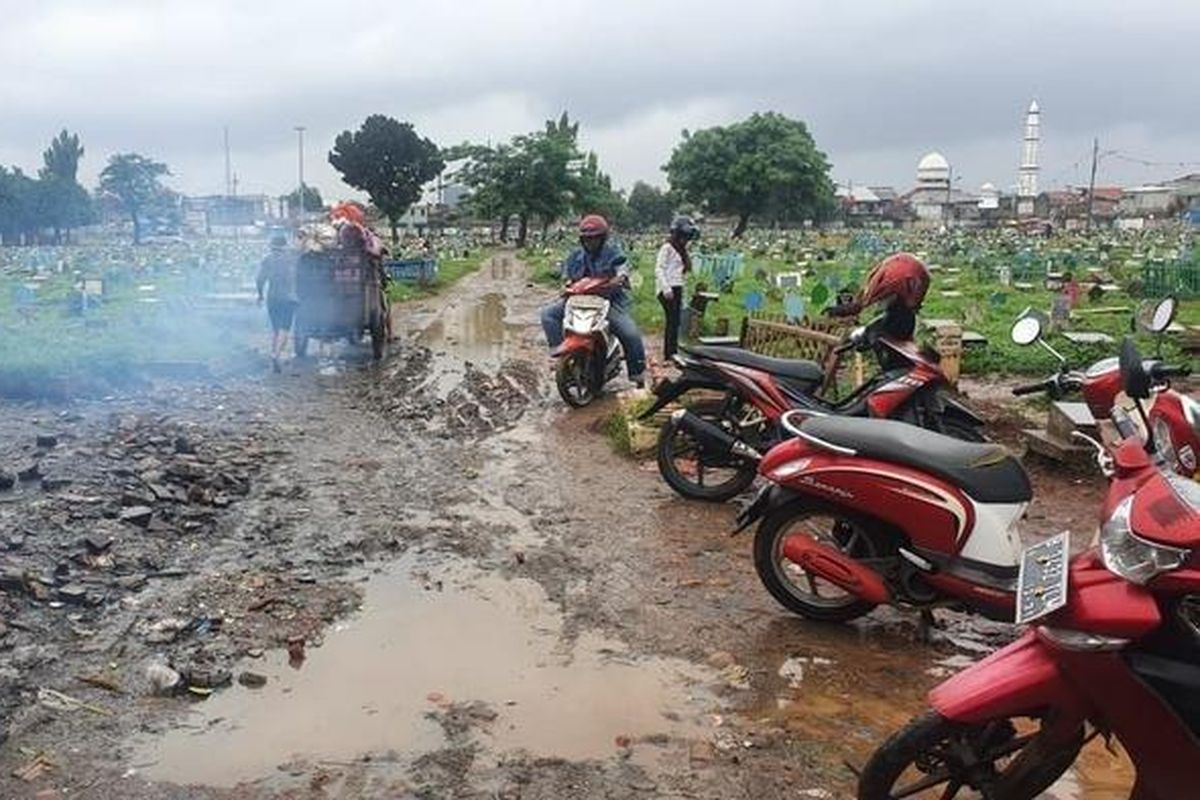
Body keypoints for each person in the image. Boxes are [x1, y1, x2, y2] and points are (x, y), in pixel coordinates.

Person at [539, 214, 647, 387]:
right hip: (579, 301)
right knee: (548, 314)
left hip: (607, 301)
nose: (591, 242)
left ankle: (638, 374)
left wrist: (621, 277)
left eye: (595, 238)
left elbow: (622, 266)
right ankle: (559, 354)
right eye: (587, 239)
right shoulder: (575, 256)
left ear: (603, 238)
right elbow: (566, 277)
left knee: (630, 333)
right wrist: (566, 284)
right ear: (582, 239)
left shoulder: (614, 252)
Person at [655, 216, 699, 360]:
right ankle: (669, 353)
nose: (685, 239)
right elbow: (659, 269)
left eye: (688, 237)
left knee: (676, 321)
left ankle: (672, 351)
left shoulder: (682, 250)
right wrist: (665, 288)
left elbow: (681, 272)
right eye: (684, 236)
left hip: (677, 287)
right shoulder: (667, 247)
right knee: (672, 320)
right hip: (667, 289)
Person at [256, 234, 298, 372]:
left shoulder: (267, 259)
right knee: (284, 329)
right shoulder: (292, 258)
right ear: (284, 246)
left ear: (271, 246)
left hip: (272, 298)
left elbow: (260, 279)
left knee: (275, 328)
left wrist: (260, 295)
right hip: (289, 298)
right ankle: (276, 354)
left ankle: (274, 352)